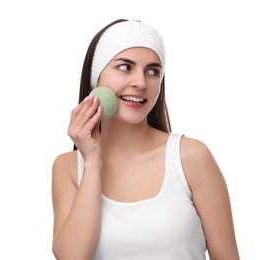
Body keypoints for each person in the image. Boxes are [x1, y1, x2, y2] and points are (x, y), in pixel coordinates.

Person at [51, 19, 240, 259]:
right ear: (95, 78)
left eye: (153, 71)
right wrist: (91, 162)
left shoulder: (190, 157)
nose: (141, 83)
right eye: (124, 67)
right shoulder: (68, 167)